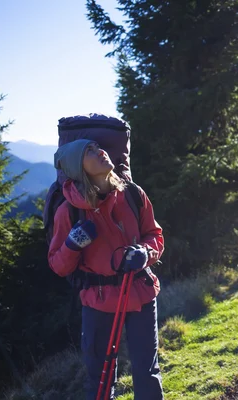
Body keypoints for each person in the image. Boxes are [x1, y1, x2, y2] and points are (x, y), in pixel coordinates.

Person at [47, 139, 164, 400]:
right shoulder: (69, 212)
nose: (100, 151)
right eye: (89, 150)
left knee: (147, 372)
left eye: (98, 146)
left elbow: (154, 235)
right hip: (98, 300)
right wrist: (72, 244)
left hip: (140, 293)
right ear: (79, 168)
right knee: (99, 378)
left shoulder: (132, 194)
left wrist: (145, 253)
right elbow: (58, 265)